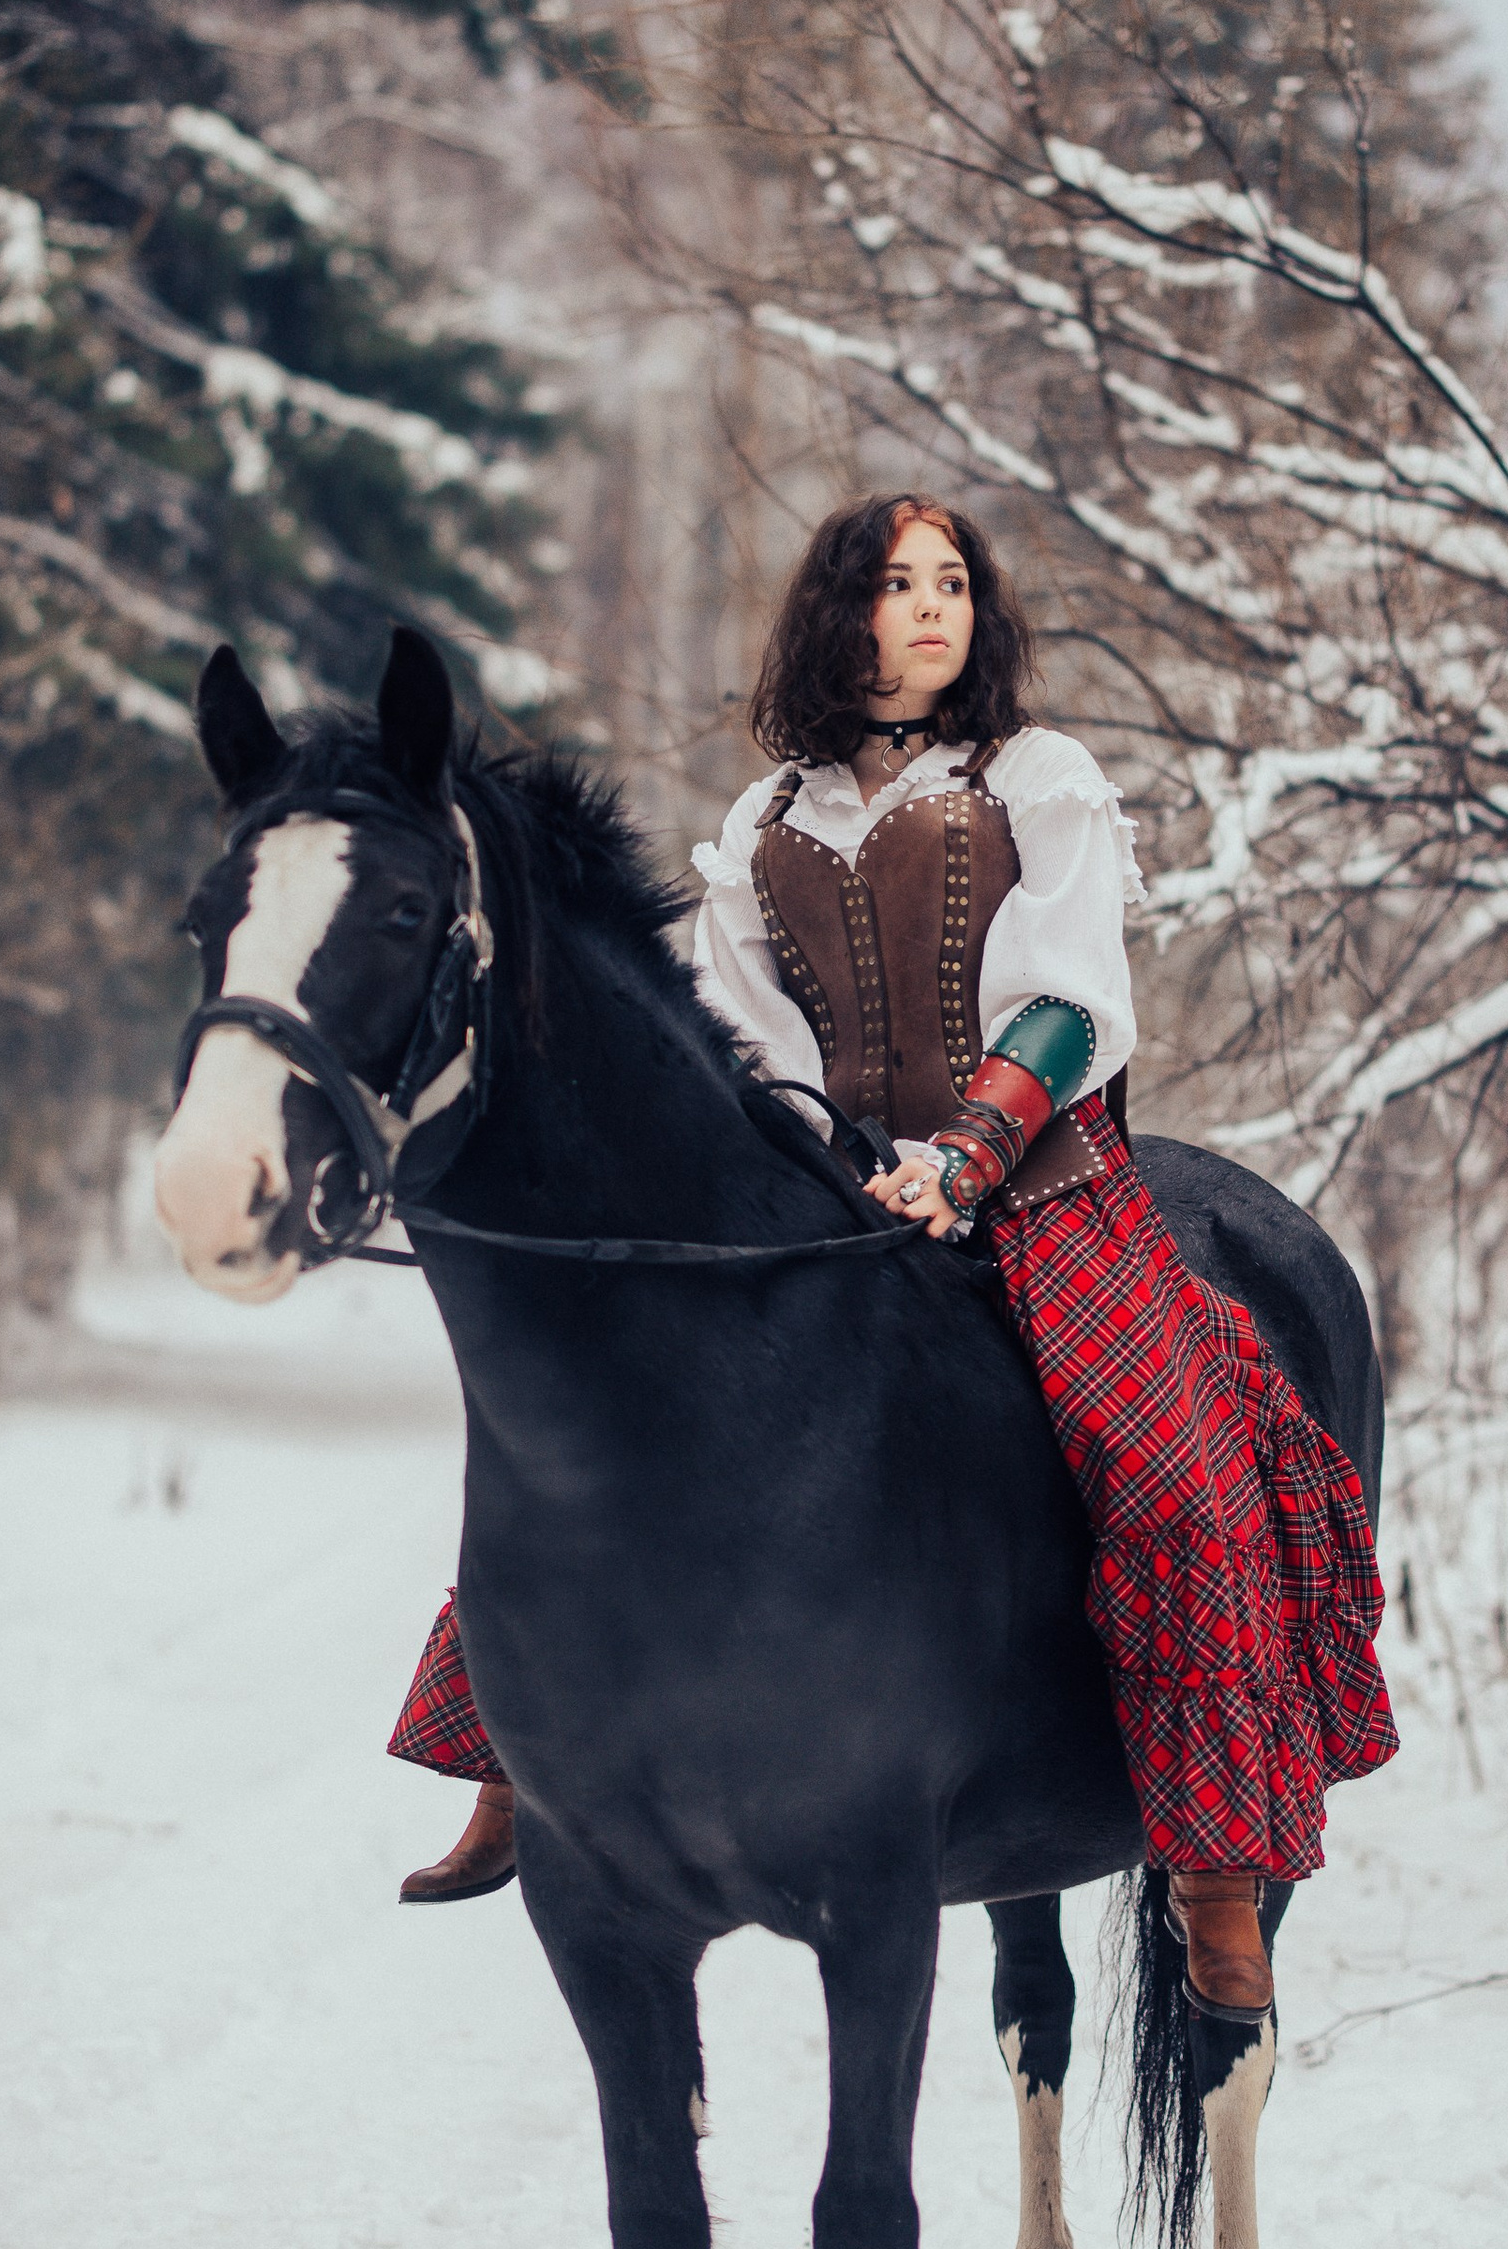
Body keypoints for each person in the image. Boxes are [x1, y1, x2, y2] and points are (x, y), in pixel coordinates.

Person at [388, 496, 1395, 2011]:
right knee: (609, 1421)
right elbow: (750, 1040)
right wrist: (819, 1175)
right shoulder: (763, 824)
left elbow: (1073, 999)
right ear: (837, 610)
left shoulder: (1038, 781)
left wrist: (967, 1153)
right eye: (898, 582)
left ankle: (1213, 1865)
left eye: (954, 582)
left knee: (1172, 1464)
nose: (934, 606)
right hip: (836, 1195)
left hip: (1044, 1189)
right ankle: (529, 1766)